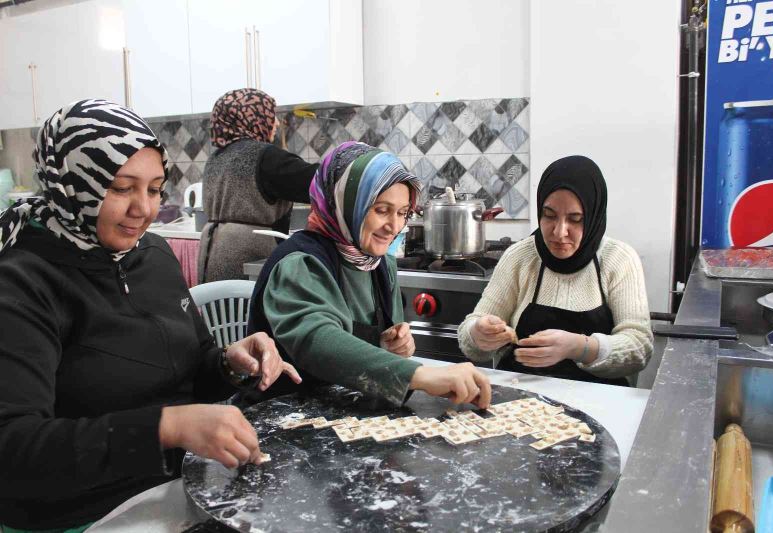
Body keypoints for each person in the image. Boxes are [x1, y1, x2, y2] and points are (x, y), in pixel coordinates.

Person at [0, 99, 300, 532]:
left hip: (178, 486)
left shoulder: (153, 255)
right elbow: (14, 450)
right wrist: (165, 427)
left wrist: (230, 363)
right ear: (73, 183)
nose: (144, 209)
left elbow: (193, 368)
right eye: (121, 188)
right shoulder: (24, 280)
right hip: (81, 515)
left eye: (155, 188)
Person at [248, 141, 492, 407]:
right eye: (381, 210)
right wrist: (420, 375)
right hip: (284, 415)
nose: (394, 226)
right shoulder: (299, 263)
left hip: (347, 410)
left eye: (403, 213)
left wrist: (395, 347)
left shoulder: (380, 264)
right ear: (345, 203)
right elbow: (316, 341)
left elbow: (385, 348)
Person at [457, 155, 653, 385]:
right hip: (519, 397)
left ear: (594, 216)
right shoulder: (520, 257)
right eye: (549, 216)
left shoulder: (618, 260)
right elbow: (471, 337)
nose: (559, 232)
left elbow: (639, 348)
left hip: (601, 399)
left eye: (576, 219)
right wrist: (478, 334)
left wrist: (578, 348)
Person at [198, 88, 319, 283]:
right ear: (254, 118)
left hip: (212, 254)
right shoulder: (265, 157)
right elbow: (315, 181)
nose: (277, 123)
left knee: (224, 312)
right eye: (272, 115)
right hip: (250, 255)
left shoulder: (216, 157)